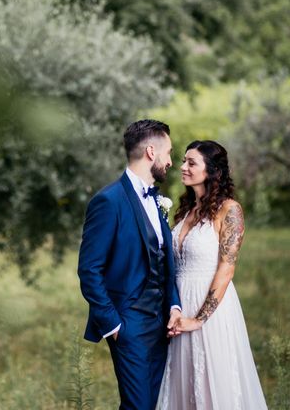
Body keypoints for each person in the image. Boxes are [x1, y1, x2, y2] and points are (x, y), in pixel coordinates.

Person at [78, 119, 182, 410]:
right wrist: (113, 324)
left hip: (161, 323)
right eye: (169, 153)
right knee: (139, 406)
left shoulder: (157, 202)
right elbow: (89, 269)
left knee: (154, 404)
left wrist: (173, 306)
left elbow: (164, 265)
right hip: (129, 323)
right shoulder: (108, 201)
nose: (171, 161)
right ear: (152, 152)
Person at [156, 140, 267, 409]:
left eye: (191, 163)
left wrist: (198, 319)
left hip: (211, 308)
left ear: (212, 170)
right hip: (179, 309)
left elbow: (227, 268)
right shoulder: (185, 211)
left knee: (211, 387)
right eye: (183, 160)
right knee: (182, 385)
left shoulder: (229, 210)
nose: (182, 167)